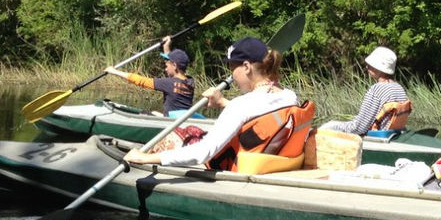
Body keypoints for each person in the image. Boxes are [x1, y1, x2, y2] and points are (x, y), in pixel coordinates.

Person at [124, 36, 312, 170]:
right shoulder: (289, 96)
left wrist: (145, 158)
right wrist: (222, 102)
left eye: (232, 68)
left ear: (246, 67)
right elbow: (256, 115)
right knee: (191, 131)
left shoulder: (242, 105)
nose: (232, 76)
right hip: (269, 160)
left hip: (228, 164)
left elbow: (202, 152)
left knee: (176, 135)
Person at [321, 45, 411, 135]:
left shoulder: (376, 90)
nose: (367, 67)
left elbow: (359, 128)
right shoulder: (399, 88)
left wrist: (333, 126)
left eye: (370, 65)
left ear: (379, 68)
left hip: (377, 138)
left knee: (329, 125)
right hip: (394, 135)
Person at [106, 35, 195, 115]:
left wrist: (114, 71)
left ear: (175, 65)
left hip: (171, 122)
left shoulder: (169, 84)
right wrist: (166, 46)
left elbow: (141, 81)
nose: (165, 68)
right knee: (155, 113)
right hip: (180, 118)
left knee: (145, 114)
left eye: (167, 66)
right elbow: (171, 63)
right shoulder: (189, 81)